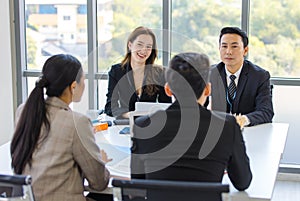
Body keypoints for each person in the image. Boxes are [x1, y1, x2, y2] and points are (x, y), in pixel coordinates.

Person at [131, 52, 252, 192]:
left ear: (168, 89)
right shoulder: (227, 126)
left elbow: (137, 184)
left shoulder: (143, 125)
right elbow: (243, 182)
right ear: (208, 89)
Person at [11, 54, 111, 201]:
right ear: (73, 86)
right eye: (83, 80)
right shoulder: (77, 122)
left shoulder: (24, 111)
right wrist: (100, 160)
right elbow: (99, 183)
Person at [209, 26, 274, 127]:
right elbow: (198, 106)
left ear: (245, 50)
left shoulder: (260, 76)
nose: (228, 52)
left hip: (249, 132)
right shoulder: (210, 73)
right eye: (224, 46)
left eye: (234, 46)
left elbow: (266, 112)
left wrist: (243, 120)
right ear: (219, 48)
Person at [104, 26, 172, 119]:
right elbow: (110, 107)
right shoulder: (116, 71)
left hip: (150, 124)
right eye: (139, 44)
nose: (144, 50)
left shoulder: (160, 73)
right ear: (130, 45)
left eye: (148, 47)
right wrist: (130, 115)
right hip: (125, 123)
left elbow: (166, 106)